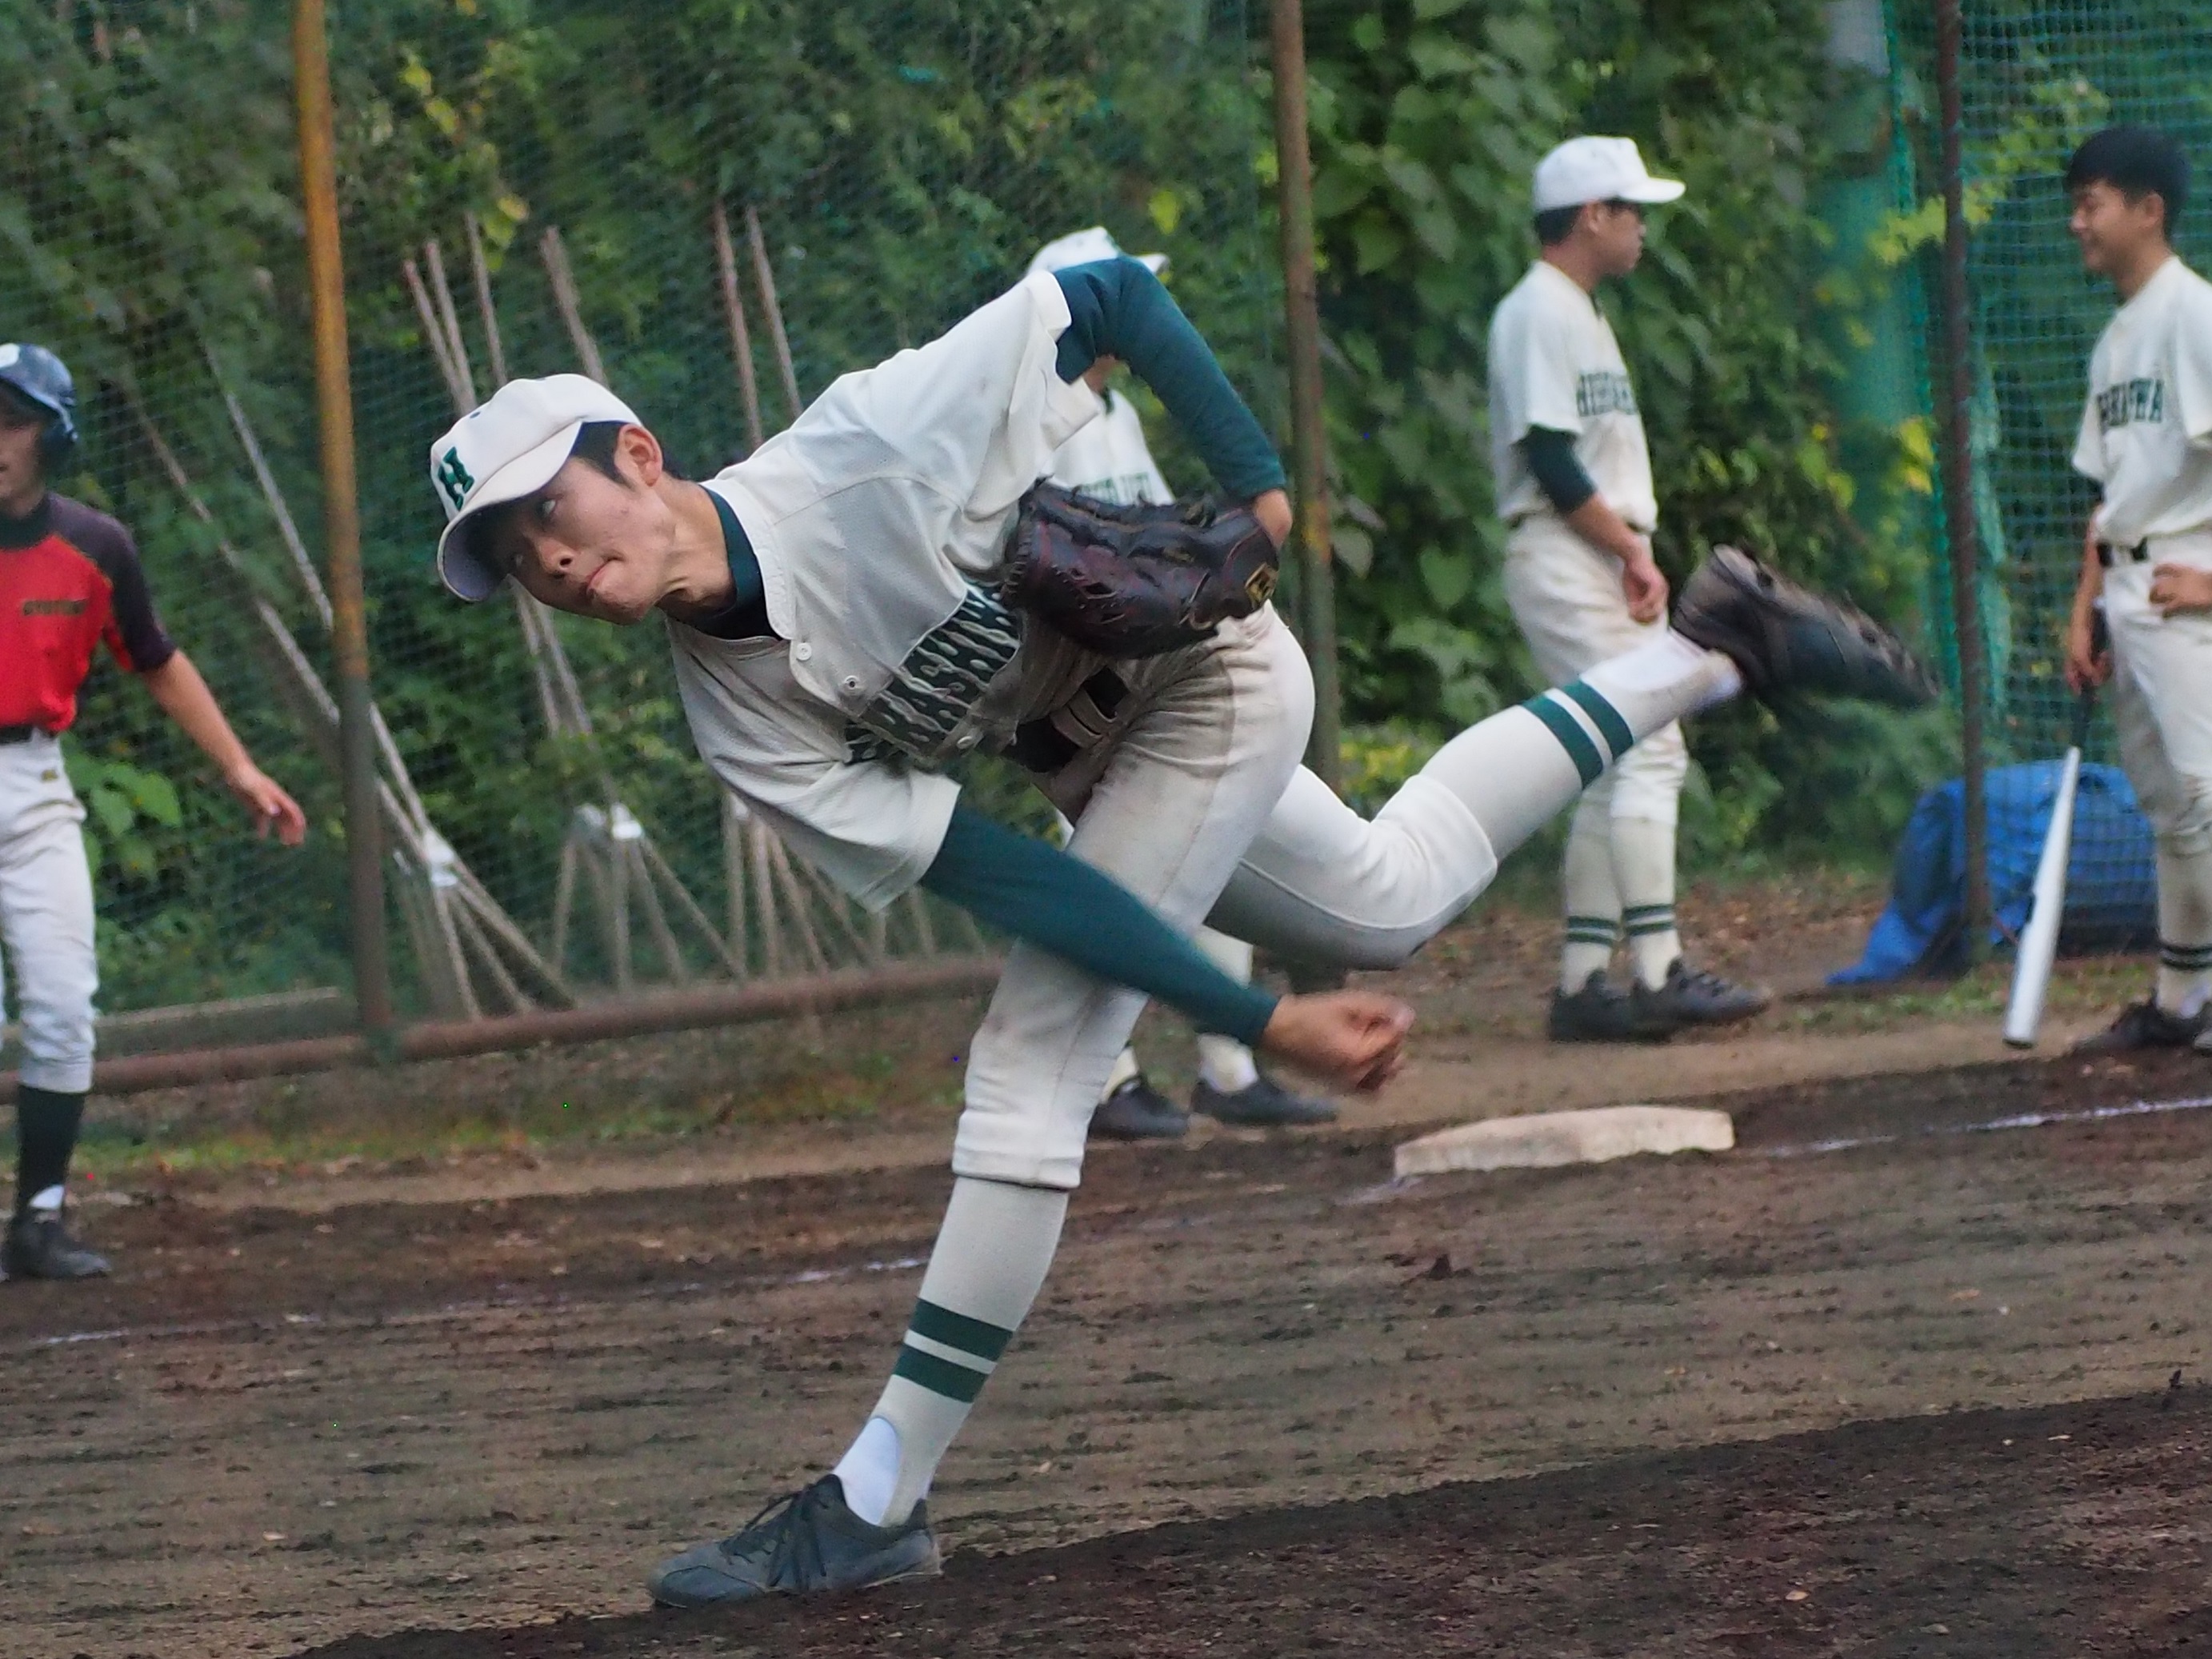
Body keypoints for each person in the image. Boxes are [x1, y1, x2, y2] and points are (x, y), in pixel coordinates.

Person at [422, 254, 1931, 1606]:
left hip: (1207, 687)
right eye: (509, 554)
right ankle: (1713, 649)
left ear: (637, 454)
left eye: (546, 508)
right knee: (1394, 897)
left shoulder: (868, 446)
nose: (544, 560)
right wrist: (1259, 1012)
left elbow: (1108, 291)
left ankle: (875, 1498)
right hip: (1097, 759)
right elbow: (1009, 877)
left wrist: (1259, 491)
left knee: (1032, 1064)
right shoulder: (733, 715)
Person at [0, 342, 307, 1280]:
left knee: (63, 1005)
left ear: (54, 436)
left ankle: (39, 1220)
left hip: (33, 786)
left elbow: (156, 659)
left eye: (12, 421)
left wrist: (239, 767)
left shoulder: (96, 547)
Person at [1028, 226, 1334, 1140]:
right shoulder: (1034, 417)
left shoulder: (1114, 412)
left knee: (1218, 845)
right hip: (1075, 683)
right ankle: (1102, 1080)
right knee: (1098, 876)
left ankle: (1228, 1070)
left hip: (1151, 665)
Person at [1487, 136, 1769, 1043]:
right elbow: (1548, 456)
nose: (1641, 227)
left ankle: (1582, 984)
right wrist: (1628, 553)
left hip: (1590, 551)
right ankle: (1657, 969)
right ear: (1590, 216)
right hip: (1567, 550)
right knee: (1649, 744)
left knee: (1616, 756)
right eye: (1630, 210)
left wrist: (1624, 552)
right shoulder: (1539, 309)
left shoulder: (1577, 310)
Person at [2057, 128, 2212, 1053]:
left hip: (2185, 584)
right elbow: (2106, 493)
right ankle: (2179, 998)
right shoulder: (2117, 336)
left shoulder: (2192, 314)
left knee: (2204, 793)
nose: (2076, 222)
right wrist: (2084, 608)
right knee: (2169, 807)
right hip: (2129, 588)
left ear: (2148, 211)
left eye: (2092, 203)